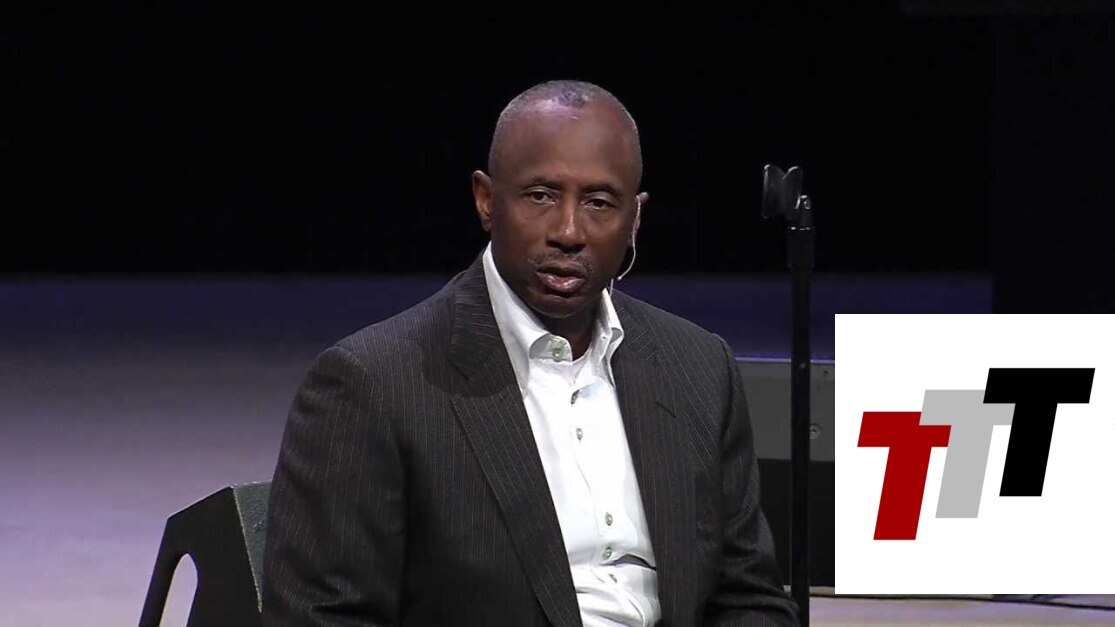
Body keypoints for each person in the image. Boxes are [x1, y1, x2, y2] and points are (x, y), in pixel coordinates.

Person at [261, 79, 799, 626]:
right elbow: (322, 617)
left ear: (635, 218)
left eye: (599, 203)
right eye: (541, 196)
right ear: (486, 200)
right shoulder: (373, 383)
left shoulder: (698, 366)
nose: (568, 231)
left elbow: (749, 598)